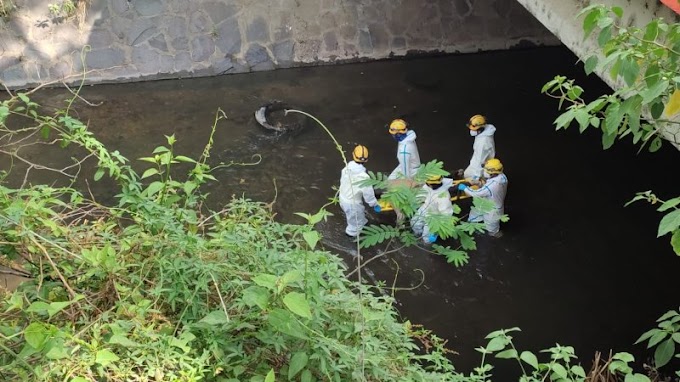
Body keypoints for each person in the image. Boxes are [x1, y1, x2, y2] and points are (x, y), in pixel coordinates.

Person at [458, 158, 508, 238]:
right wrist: (480, 183)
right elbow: (488, 187)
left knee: (491, 223)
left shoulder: (492, 185)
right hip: (488, 201)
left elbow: (476, 193)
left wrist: (465, 188)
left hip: (493, 208)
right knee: (476, 212)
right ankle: (473, 224)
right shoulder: (502, 177)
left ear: (492, 172)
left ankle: (494, 234)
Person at [339, 145, 379, 238]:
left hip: (343, 198)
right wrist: (374, 204)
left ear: (353, 154)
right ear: (366, 160)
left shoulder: (346, 169)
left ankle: (362, 222)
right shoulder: (364, 177)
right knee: (354, 227)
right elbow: (368, 195)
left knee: (358, 218)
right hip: (352, 204)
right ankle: (351, 241)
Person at [411, 175, 454, 244]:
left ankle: (426, 244)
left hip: (436, 215)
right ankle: (417, 237)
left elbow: (446, 215)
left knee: (427, 237)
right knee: (414, 223)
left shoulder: (443, 197)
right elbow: (421, 194)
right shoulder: (428, 186)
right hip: (425, 207)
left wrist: (437, 230)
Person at [463, 114, 496, 181]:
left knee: (467, 176)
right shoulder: (486, 131)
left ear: (480, 129)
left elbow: (480, 161)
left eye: (474, 130)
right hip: (481, 161)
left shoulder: (483, 143)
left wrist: (476, 177)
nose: (472, 131)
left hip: (481, 166)